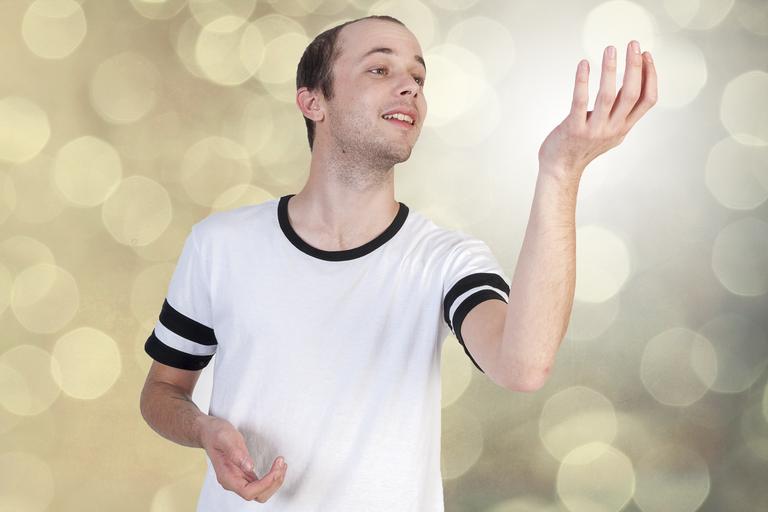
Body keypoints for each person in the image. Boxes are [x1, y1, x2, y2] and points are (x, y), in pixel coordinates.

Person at [139, 13, 657, 511]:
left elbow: (522, 366)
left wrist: (561, 171)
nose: (410, 87)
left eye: (418, 77)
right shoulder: (220, 245)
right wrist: (203, 429)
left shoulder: (446, 261)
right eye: (380, 69)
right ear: (313, 101)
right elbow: (162, 391)